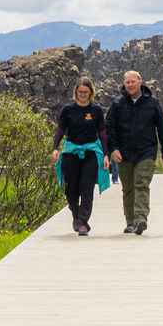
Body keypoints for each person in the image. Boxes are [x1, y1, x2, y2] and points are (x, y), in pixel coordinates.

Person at [105, 70, 163, 235]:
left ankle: (141, 219)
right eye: (127, 82)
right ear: (124, 84)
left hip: (146, 152)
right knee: (128, 189)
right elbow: (109, 128)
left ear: (140, 82)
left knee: (141, 184)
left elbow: (162, 127)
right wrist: (112, 149)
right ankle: (130, 221)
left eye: (133, 82)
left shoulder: (152, 103)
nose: (130, 85)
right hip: (124, 154)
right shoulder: (117, 104)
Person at [51, 76, 109, 236]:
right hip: (71, 152)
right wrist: (55, 148)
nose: (83, 94)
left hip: (91, 152)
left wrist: (105, 154)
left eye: (86, 92)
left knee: (87, 187)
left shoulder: (96, 111)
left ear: (91, 92)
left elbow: (102, 132)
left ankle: (82, 222)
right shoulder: (68, 110)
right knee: (71, 189)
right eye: (80, 91)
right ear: (76, 92)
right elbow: (61, 130)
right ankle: (76, 216)